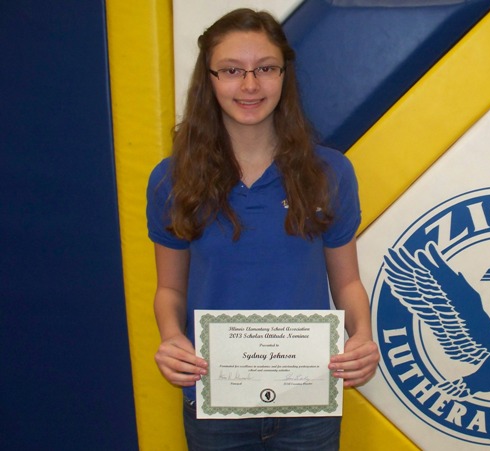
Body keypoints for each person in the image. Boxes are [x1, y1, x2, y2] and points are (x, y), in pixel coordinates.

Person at [146, 8, 379, 450]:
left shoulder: (329, 173)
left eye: (266, 69)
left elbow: (347, 282)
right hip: (213, 400)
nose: (250, 85)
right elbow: (170, 289)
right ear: (209, 79)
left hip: (309, 405)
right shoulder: (172, 179)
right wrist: (172, 339)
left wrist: (362, 336)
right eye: (232, 70)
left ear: (284, 76)